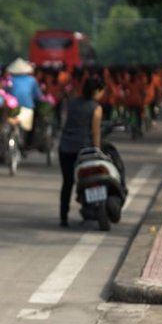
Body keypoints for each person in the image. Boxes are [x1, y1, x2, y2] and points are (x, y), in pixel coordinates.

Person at [58, 76, 104, 227]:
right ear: (96, 91)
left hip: (65, 148)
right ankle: (89, 211)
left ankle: (63, 215)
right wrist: (97, 152)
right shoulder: (96, 108)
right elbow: (95, 133)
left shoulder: (71, 103)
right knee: (89, 181)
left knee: (68, 182)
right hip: (84, 151)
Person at [7, 58, 42, 144]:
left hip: (13, 108)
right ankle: (28, 143)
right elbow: (38, 95)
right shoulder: (32, 80)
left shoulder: (10, 80)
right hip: (28, 107)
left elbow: (7, 92)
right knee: (30, 128)